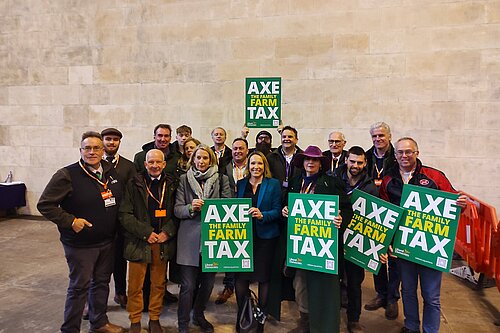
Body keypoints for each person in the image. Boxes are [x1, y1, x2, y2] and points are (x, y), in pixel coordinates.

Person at [37, 131, 124, 333]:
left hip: (107, 241)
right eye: (87, 148)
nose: (92, 152)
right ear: (81, 150)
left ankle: (99, 323)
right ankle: (70, 329)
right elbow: (45, 205)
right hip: (80, 245)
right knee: (79, 288)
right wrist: (71, 221)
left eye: (96, 148)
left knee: (101, 284)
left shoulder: (110, 172)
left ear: (103, 151)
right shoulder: (66, 175)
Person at [379, 137, 467, 333]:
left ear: (417, 153)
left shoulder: (434, 176)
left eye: (409, 151)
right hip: (403, 247)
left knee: (431, 295)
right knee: (408, 291)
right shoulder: (388, 179)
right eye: (400, 152)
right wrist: (387, 242)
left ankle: (430, 330)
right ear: (395, 155)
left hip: (430, 247)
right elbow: (385, 214)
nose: (404, 155)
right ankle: (411, 326)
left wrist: (461, 205)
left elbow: (453, 203)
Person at [281, 145, 353, 333]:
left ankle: (323, 323)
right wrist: (285, 210)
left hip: (323, 245)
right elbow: (286, 204)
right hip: (300, 243)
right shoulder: (296, 182)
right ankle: (305, 321)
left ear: (320, 164)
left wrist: (341, 219)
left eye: (315, 160)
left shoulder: (332, 182)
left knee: (323, 284)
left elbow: (346, 208)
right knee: (300, 283)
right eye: (307, 159)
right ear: (302, 162)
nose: (310, 162)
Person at [119, 149, 177, 333]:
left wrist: (167, 232)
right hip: (139, 242)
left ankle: (154, 318)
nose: (154, 165)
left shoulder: (172, 184)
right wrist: (146, 233)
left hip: (162, 242)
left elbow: (177, 213)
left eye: (158, 162)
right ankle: (135, 320)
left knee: (158, 284)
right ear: (145, 164)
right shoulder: (133, 183)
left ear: (164, 164)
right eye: (151, 162)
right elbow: (124, 214)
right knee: (135, 286)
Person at [174, 144, 231, 333]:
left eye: (205, 158)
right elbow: (177, 209)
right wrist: (191, 208)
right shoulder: (184, 179)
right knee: (188, 286)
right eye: (198, 158)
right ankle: (182, 323)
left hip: (214, 239)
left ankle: (198, 315)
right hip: (189, 239)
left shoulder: (222, 179)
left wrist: (211, 206)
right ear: (193, 159)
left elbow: (228, 206)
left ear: (211, 160)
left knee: (207, 284)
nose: (201, 161)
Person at [234, 151, 282, 333]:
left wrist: (263, 215)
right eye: (252, 163)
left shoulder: (273, 184)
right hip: (244, 239)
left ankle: (260, 320)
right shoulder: (241, 183)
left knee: (263, 279)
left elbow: (278, 210)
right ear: (248, 165)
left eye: (260, 164)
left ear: (265, 166)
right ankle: (243, 317)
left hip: (266, 239)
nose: (256, 167)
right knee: (240, 278)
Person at [337, 146, 379, 333]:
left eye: (359, 162)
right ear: (346, 160)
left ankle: (353, 320)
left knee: (354, 282)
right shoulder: (333, 179)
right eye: (352, 161)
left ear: (365, 163)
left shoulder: (370, 187)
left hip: (356, 241)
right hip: (334, 238)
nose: (355, 165)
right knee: (333, 280)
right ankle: (331, 314)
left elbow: (374, 219)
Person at [363, 121, 400, 320]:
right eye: (374, 136)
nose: (378, 139)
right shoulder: (367, 157)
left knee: (394, 258)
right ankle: (381, 293)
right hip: (373, 213)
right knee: (376, 255)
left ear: (389, 137)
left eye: (381, 136)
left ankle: (393, 298)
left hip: (393, 211)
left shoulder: (397, 157)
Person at [100, 127, 137, 310]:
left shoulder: (128, 166)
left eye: (115, 139)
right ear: (102, 141)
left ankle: (121, 292)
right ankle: (95, 301)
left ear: (119, 142)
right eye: (108, 139)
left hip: (121, 222)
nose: (111, 142)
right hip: (100, 222)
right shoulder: (93, 164)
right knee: (98, 262)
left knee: (120, 260)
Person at [215, 138, 250, 305]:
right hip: (229, 213)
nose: (237, 151)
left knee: (246, 251)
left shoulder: (253, 167)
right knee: (230, 250)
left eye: (241, 148)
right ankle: (229, 286)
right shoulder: (225, 168)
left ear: (247, 150)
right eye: (235, 148)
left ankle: (244, 287)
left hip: (249, 213)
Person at [267, 125, 303, 203]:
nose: (286, 139)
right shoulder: (271, 157)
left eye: (290, 137)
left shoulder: (303, 157)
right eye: (284, 137)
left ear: (296, 140)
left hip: (296, 197)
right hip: (276, 197)